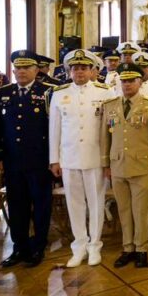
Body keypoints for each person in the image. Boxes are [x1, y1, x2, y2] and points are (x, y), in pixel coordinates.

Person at [49, 49, 114, 267]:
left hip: (95, 156)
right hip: (69, 157)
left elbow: (111, 128)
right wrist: (54, 159)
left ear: (92, 70)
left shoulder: (105, 92)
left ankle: (95, 245)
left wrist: (110, 159)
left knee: (96, 202)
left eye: (84, 68)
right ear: (69, 70)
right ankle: (79, 246)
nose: (79, 72)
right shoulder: (59, 94)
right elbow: (54, 129)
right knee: (74, 203)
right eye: (75, 68)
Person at [100, 63, 148, 270]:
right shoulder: (110, 105)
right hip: (118, 165)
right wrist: (105, 163)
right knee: (123, 210)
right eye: (124, 81)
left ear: (140, 82)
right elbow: (105, 137)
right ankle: (127, 248)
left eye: (131, 80)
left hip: (142, 166)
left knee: (141, 210)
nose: (127, 84)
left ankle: (141, 249)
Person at [0, 51, 55, 269]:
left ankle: (38, 246)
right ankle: (19, 247)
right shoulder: (3, 93)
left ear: (36, 70)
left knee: (40, 205)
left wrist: (54, 159)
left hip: (39, 160)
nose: (21, 72)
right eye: (17, 68)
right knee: (17, 205)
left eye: (26, 68)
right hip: (12, 160)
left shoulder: (49, 93)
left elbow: (55, 129)